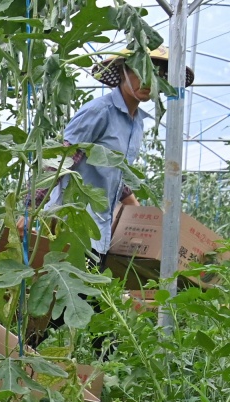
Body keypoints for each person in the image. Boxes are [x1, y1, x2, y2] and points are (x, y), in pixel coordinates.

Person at [39, 46, 194, 266]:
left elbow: (114, 172)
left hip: (101, 231)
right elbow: (62, 159)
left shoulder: (137, 122)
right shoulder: (100, 111)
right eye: (139, 72)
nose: (147, 81)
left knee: (92, 296)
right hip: (74, 226)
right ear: (122, 72)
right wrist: (30, 211)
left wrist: (141, 215)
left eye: (156, 75)